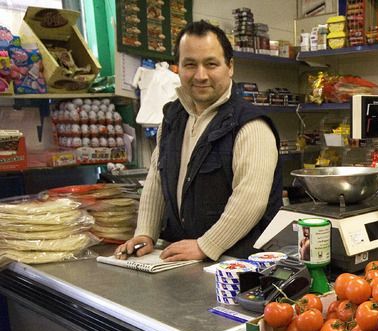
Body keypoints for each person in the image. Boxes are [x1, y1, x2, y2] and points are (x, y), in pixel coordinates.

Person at [115, 20, 281, 262]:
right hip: (181, 261)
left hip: (237, 264)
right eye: (190, 65)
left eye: (211, 64)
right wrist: (145, 233)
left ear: (230, 66)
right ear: (178, 68)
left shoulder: (251, 125)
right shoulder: (173, 118)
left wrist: (206, 245)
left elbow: (251, 200)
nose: (200, 75)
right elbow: (157, 179)